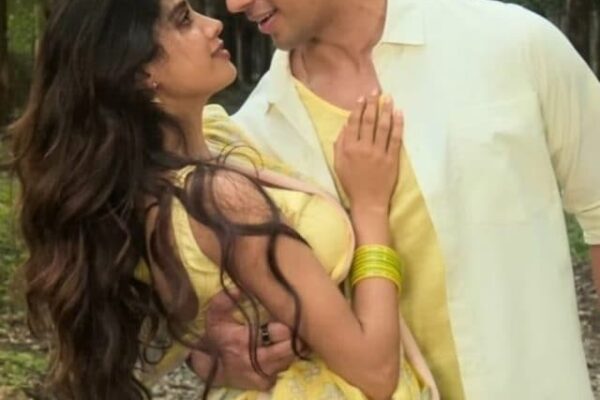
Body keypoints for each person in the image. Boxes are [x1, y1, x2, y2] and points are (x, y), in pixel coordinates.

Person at [10, 0, 439, 399]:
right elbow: (375, 370)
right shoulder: (216, 199)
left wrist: (202, 348)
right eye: (183, 20)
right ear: (141, 73)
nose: (215, 23)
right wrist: (369, 208)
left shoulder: (189, 157)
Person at [190, 0, 600, 398]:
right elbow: (199, 310)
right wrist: (211, 356)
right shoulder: (249, 142)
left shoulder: (511, 43)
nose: (235, 5)